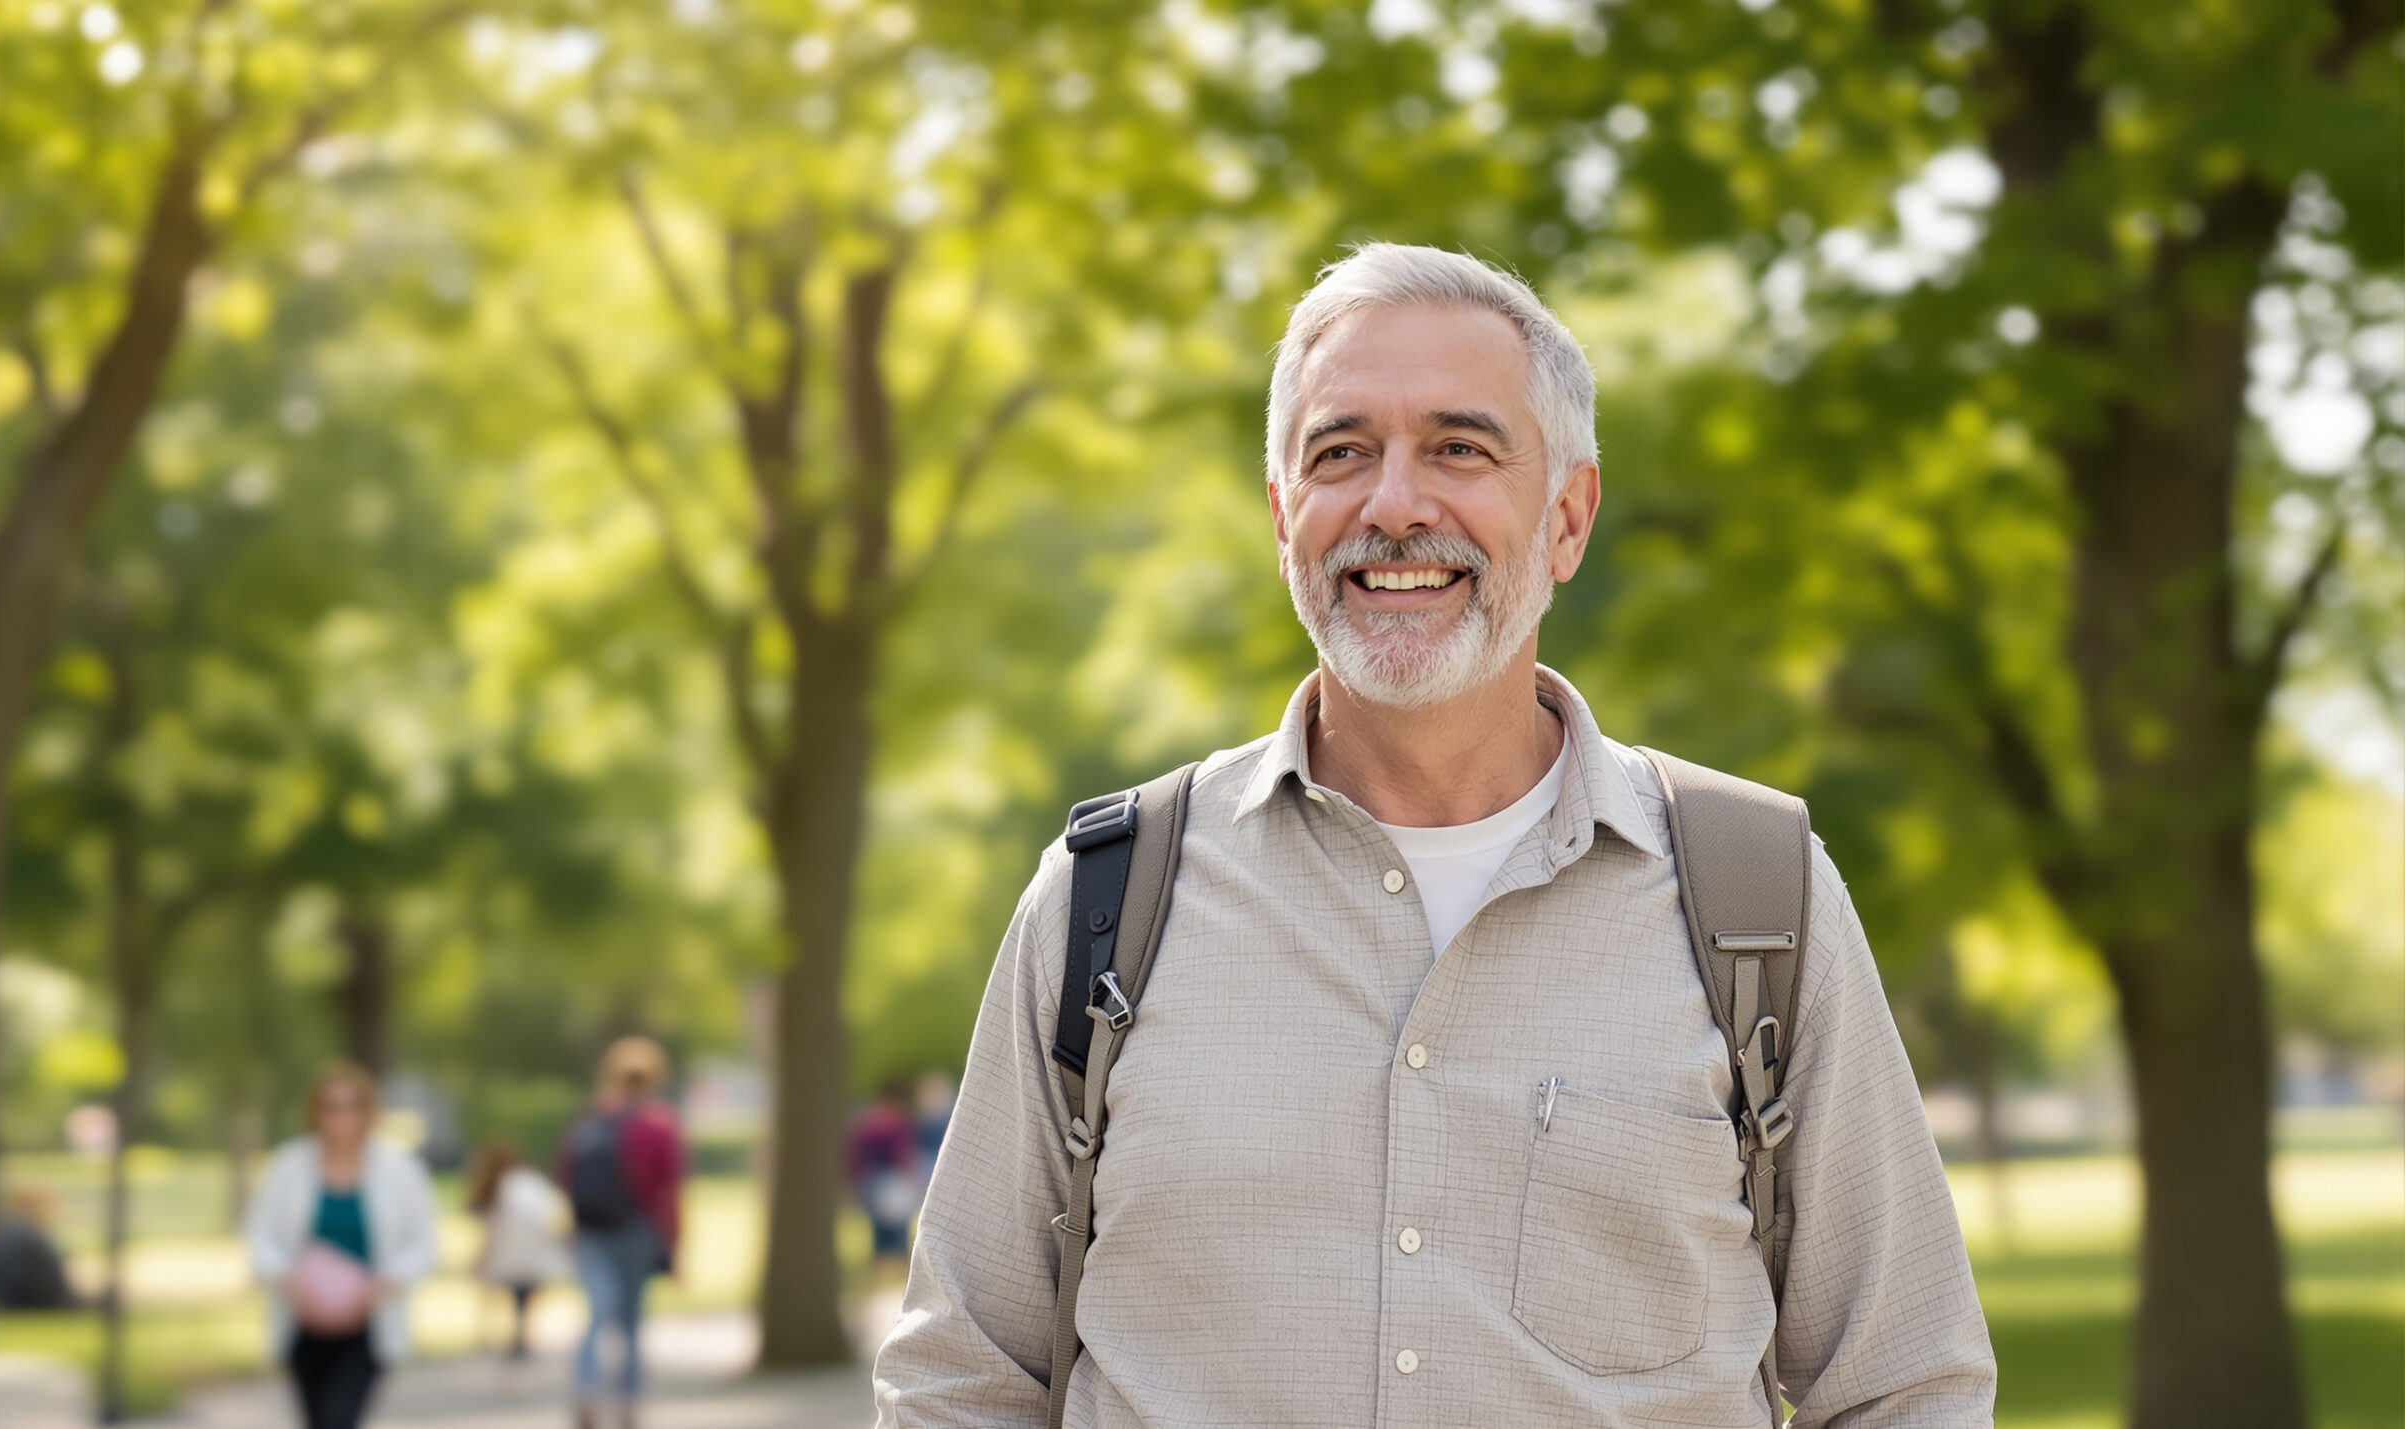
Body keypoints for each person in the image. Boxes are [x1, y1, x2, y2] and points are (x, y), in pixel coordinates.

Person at [873, 244, 1996, 1426]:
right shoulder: (1104, 902)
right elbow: (960, 1380)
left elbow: (1901, 1383)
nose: (1394, 504)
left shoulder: (1757, 903)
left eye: (1459, 448)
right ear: (1282, 519)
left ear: (1566, 517)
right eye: (1339, 453)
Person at [245, 1062, 437, 1429]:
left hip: (367, 1321)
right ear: (315, 1112)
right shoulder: (289, 1165)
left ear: (367, 1112)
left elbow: (422, 1244)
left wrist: (379, 1287)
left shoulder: (400, 1170)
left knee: (340, 1419)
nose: (341, 1118)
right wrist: (292, 1285)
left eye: (351, 1106)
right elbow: (262, 1237)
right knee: (317, 1419)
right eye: (331, 1107)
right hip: (304, 1319)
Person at [558, 1036, 683, 1429]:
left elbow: (566, 1176)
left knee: (596, 1314)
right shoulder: (659, 1124)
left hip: (593, 1230)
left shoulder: (593, 1118)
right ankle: (627, 1403)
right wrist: (676, 1245)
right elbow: (670, 1190)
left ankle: (587, 1389)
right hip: (638, 1229)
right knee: (630, 1322)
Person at [465, 1138, 570, 1360]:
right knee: (522, 1301)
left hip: (511, 1257)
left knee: (514, 1301)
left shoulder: (503, 1187)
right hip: (530, 1255)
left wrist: (481, 1259)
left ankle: (512, 1342)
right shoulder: (529, 1183)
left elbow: (494, 1231)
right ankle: (518, 1341)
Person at [844, 1082, 920, 1282]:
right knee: (897, 1223)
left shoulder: (866, 1121)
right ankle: (895, 1263)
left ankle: (881, 1265)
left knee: (879, 1224)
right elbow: (902, 1154)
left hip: (870, 1180)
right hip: (885, 1180)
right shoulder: (894, 1122)